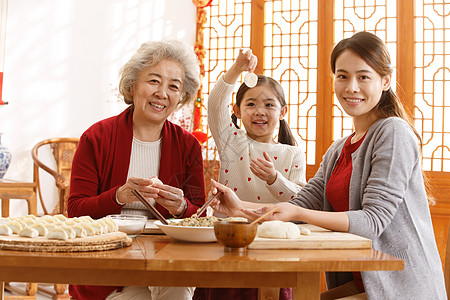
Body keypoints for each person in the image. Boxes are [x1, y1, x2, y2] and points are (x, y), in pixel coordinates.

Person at [208, 31, 447, 299]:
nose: (351, 87)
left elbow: (372, 221)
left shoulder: (394, 132)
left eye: (363, 77)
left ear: (385, 81)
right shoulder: (338, 149)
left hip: (400, 286)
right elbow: (300, 204)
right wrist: (238, 206)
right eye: (343, 76)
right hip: (362, 283)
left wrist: (297, 212)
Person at [67, 40, 206, 300]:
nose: (162, 93)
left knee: (175, 283)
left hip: (168, 258)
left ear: (182, 97)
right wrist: (119, 196)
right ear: (133, 85)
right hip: (109, 263)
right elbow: (75, 210)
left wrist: (180, 207)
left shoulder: (188, 146)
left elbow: (200, 213)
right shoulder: (96, 137)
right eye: (153, 81)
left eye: (173, 86)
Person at [194, 49, 306, 300]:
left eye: (269, 105)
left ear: (283, 112)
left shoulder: (293, 154)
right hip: (227, 240)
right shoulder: (232, 141)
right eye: (251, 104)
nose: (259, 111)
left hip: (273, 245)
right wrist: (236, 69)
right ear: (236, 110)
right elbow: (214, 104)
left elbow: (300, 200)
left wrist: (274, 179)